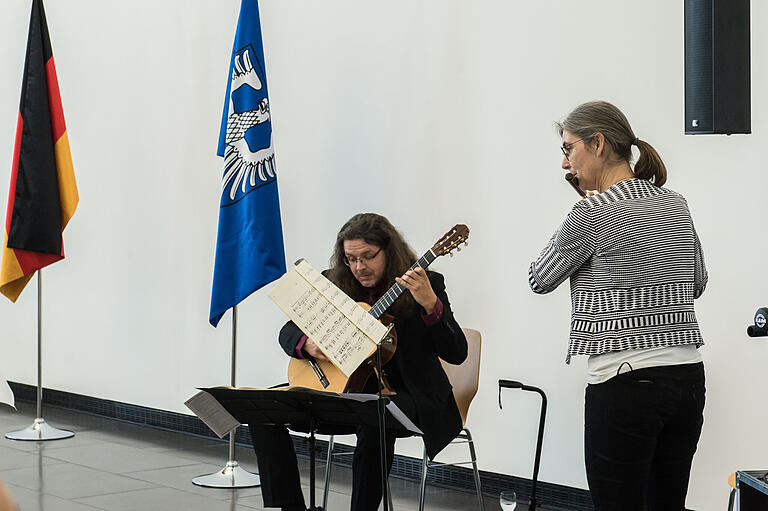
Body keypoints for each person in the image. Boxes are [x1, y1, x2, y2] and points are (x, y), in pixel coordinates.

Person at [528, 101, 707, 511]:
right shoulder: (675, 202)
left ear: (598, 144)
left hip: (625, 383)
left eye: (568, 149)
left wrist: (584, 211)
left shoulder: (592, 212)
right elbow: (697, 283)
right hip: (686, 380)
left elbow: (539, 278)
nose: (564, 163)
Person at [251, 213, 468, 511]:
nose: (359, 267)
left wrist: (431, 305)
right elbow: (288, 331)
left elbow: (457, 353)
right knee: (262, 408)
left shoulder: (426, 284)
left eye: (367, 257)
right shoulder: (335, 283)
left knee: (374, 417)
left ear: (389, 251)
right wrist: (308, 345)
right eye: (351, 258)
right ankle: (290, 507)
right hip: (343, 390)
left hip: (410, 395)